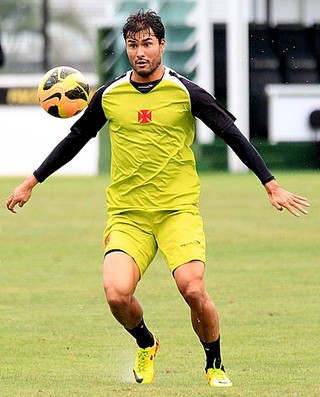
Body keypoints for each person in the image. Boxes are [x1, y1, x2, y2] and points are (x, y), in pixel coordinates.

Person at [6, 9, 309, 388]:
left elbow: (232, 134)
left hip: (177, 212)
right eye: (132, 45)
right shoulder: (110, 95)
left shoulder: (186, 92)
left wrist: (270, 183)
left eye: (147, 43)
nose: (140, 52)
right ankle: (147, 343)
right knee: (117, 294)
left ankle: (214, 363)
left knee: (193, 288)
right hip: (128, 215)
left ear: (162, 45)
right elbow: (75, 140)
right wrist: (32, 181)